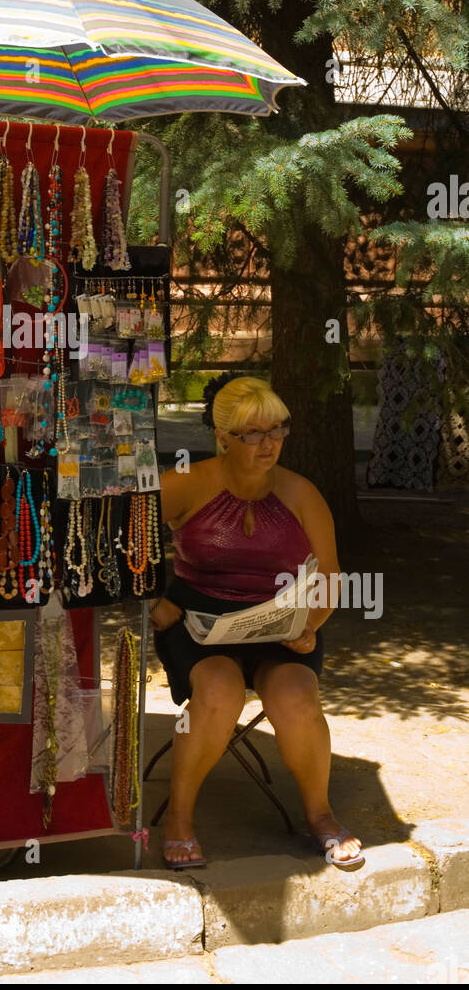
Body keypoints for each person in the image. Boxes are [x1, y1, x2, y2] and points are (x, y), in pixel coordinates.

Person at [152, 373, 364, 871]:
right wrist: (154, 605)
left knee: (295, 694)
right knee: (220, 690)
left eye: (278, 430)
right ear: (221, 435)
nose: (268, 443)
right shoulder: (185, 483)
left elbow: (331, 573)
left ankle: (321, 814)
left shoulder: (300, 492)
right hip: (198, 623)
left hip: (281, 625)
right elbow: (123, 545)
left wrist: (313, 622)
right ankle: (178, 819)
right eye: (252, 433)